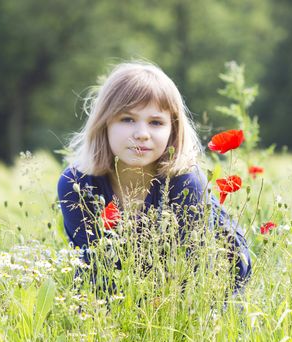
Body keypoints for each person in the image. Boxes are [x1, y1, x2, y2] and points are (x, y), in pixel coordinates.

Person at [57, 61, 251, 294]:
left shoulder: (187, 183)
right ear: (104, 123)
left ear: (173, 130)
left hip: (211, 290)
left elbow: (192, 279)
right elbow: (93, 271)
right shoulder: (76, 184)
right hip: (123, 296)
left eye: (156, 122)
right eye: (127, 119)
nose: (141, 134)